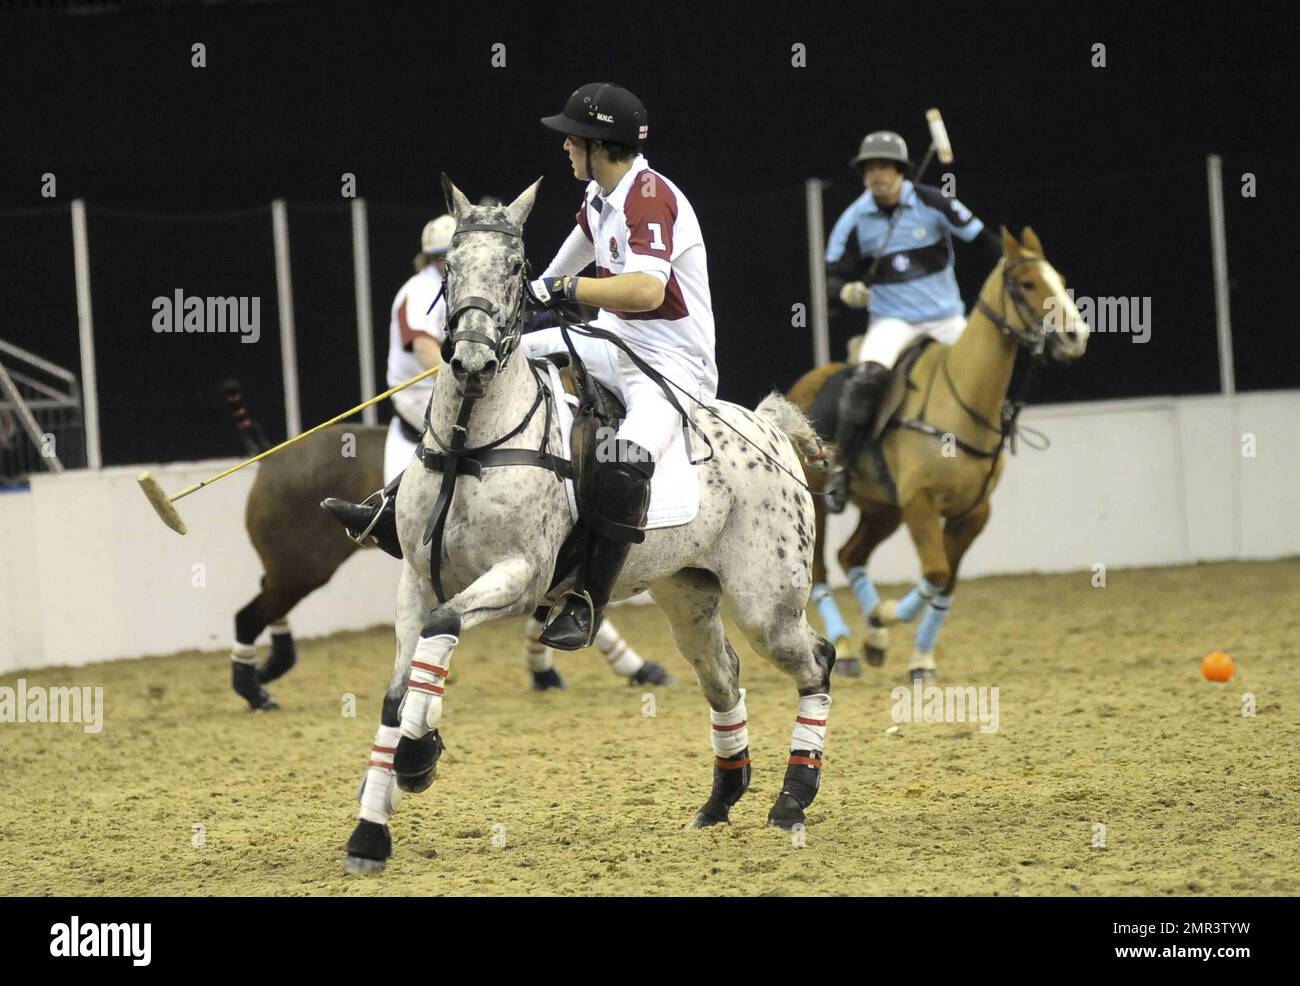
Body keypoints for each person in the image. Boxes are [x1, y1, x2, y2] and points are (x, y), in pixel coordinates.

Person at [528, 82, 717, 650]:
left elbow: (644, 289)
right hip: (612, 340)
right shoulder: (600, 197)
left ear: (598, 143)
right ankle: (392, 505)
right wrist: (522, 299)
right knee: (498, 362)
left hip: (671, 365)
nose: (564, 148)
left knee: (622, 465)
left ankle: (586, 599)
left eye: (572, 140)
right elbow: (565, 264)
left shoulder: (648, 196)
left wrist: (564, 288)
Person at [822, 130, 1000, 513]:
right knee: (865, 379)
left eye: (885, 166)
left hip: (947, 318)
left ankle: (997, 439)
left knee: (989, 365)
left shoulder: (934, 201)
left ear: (901, 170)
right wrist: (847, 292)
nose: (877, 175)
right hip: (893, 322)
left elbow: (983, 240)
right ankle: (842, 469)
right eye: (870, 168)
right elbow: (832, 277)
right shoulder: (854, 219)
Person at [323, 216, 451, 556]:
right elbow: (426, 352)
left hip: (447, 387)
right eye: (443, 257)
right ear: (432, 260)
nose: (448, 262)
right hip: (419, 393)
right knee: (463, 432)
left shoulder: (463, 287)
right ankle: (391, 508)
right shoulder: (420, 291)